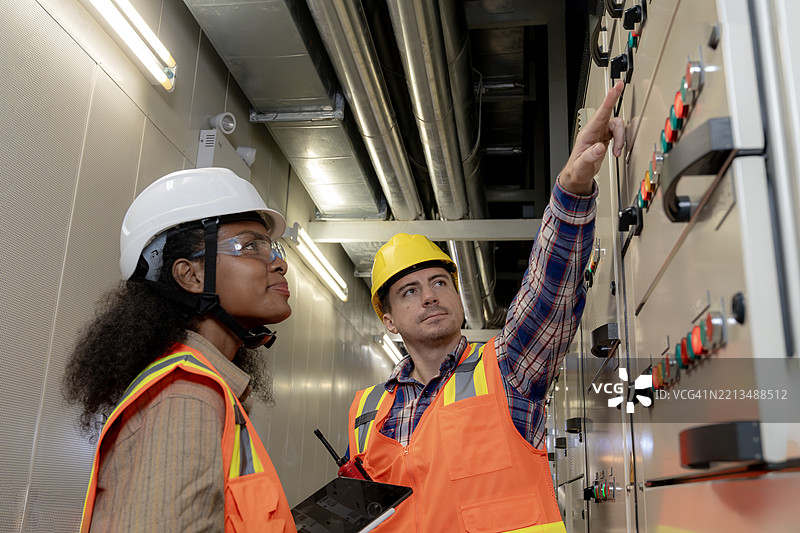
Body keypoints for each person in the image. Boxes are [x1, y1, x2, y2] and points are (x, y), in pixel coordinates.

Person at [345, 81, 625, 532]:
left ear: (457, 296)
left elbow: (548, 294)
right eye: (409, 291)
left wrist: (572, 189)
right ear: (389, 321)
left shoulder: (508, 369)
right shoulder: (365, 412)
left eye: (439, 282)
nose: (430, 295)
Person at [63, 168, 298, 532]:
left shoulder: (206, 389)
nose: (279, 263)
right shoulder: (185, 396)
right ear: (190, 276)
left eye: (272, 248)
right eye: (251, 246)